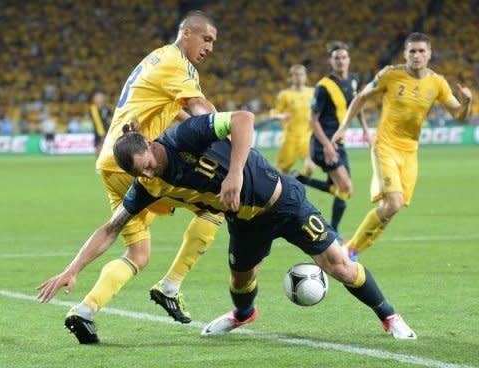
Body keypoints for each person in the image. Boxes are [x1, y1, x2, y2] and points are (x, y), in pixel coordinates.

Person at [38, 111, 417, 342]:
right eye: (141, 173)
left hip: (285, 203)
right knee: (240, 281)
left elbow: (242, 119)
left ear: (151, 145)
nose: (149, 172)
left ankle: (390, 317)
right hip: (245, 222)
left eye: (148, 163)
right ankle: (242, 316)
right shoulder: (148, 185)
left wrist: (235, 173)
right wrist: (72, 269)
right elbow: (111, 228)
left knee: (339, 266)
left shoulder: (183, 137)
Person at [38, 11, 222, 344]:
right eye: (206, 39)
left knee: (137, 253)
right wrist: (220, 129)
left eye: (213, 42)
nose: (209, 47)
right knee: (216, 206)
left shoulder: (156, 59)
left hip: (113, 163)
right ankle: (171, 286)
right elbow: (199, 106)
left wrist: (73, 268)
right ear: (186, 32)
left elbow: (173, 107)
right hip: (142, 163)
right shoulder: (177, 64)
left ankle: (85, 310)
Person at [331, 33, 472, 261]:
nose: (416, 56)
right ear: (405, 54)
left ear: (429, 54)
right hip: (385, 146)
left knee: (393, 208)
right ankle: (349, 250)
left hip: (410, 152)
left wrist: (467, 102)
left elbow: (459, 115)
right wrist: (343, 127)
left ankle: (353, 250)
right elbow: (360, 98)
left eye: (421, 51)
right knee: (393, 202)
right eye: (412, 51)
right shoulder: (390, 74)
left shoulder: (437, 83)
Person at [294, 42, 371, 241]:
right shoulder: (323, 86)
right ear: (331, 61)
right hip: (322, 144)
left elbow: (357, 106)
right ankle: (333, 233)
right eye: (336, 58)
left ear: (349, 59)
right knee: (345, 188)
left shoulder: (353, 81)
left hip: (338, 143)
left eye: (344, 57)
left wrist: (365, 129)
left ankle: (302, 180)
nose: (340, 61)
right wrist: (328, 146)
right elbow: (313, 120)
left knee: (341, 189)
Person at [269, 64, 316, 175]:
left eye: (301, 74)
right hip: (290, 137)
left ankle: (298, 179)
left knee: (310, 167)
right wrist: (281, 116)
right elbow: (273, 113)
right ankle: (288, 187)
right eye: (295, 75)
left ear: (305, 76)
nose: (298, 77)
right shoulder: (285, 94)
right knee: (284, 171)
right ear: (291, 78)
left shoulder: (313, 92)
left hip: (307, 136)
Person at [89, 91, 112, 157]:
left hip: (107, 131)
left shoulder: (107, 108)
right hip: (97, 132)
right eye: (97, 97)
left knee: (107, 149)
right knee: (98, 148)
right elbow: (94, 120)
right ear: (94, 99)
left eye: (100, 97)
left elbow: (110, 120)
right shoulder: (92, 109)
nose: (99, 98)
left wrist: (106, 118)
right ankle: (99, 164)